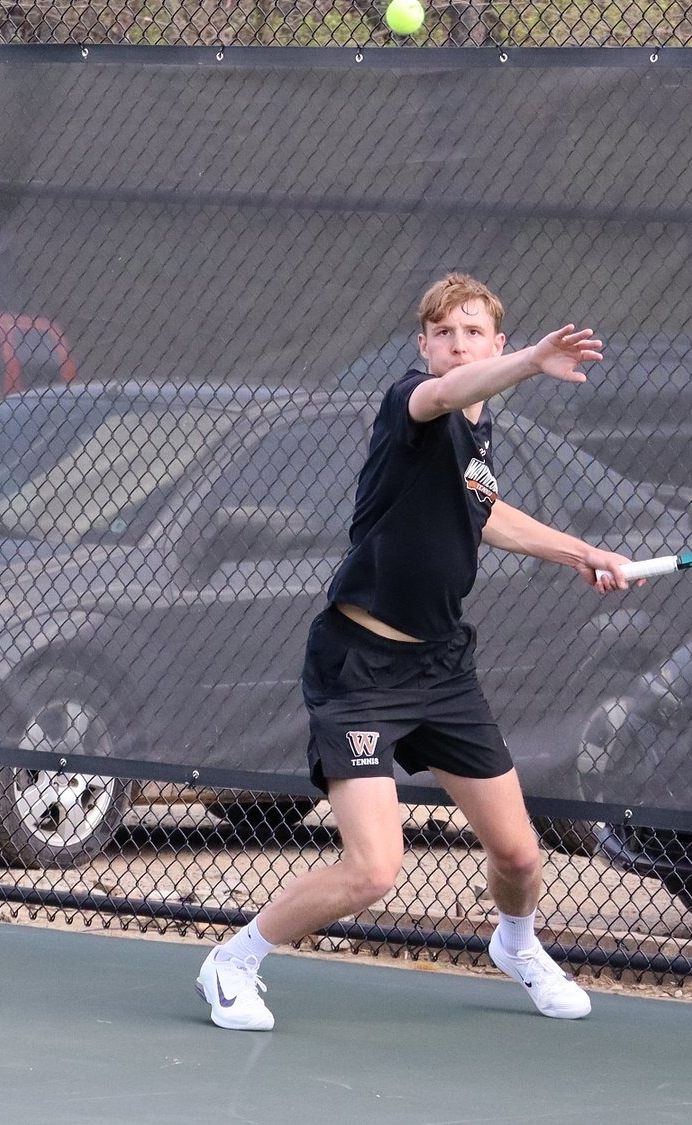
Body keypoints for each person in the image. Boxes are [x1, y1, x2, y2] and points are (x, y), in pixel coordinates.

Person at [196, 272, 637, 1031]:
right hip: (360, 668)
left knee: (521, 855)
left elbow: (484, 509)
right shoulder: (414, 403)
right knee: (373, 869)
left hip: (441, 668)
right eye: (445, 333)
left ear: (491, 341)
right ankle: (232, 960)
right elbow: (442, 396)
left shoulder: (477, 437)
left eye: (474, 332)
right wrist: (533, 360)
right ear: (424, 347)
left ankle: (518, 945)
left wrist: (579, 550)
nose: (459, 344)